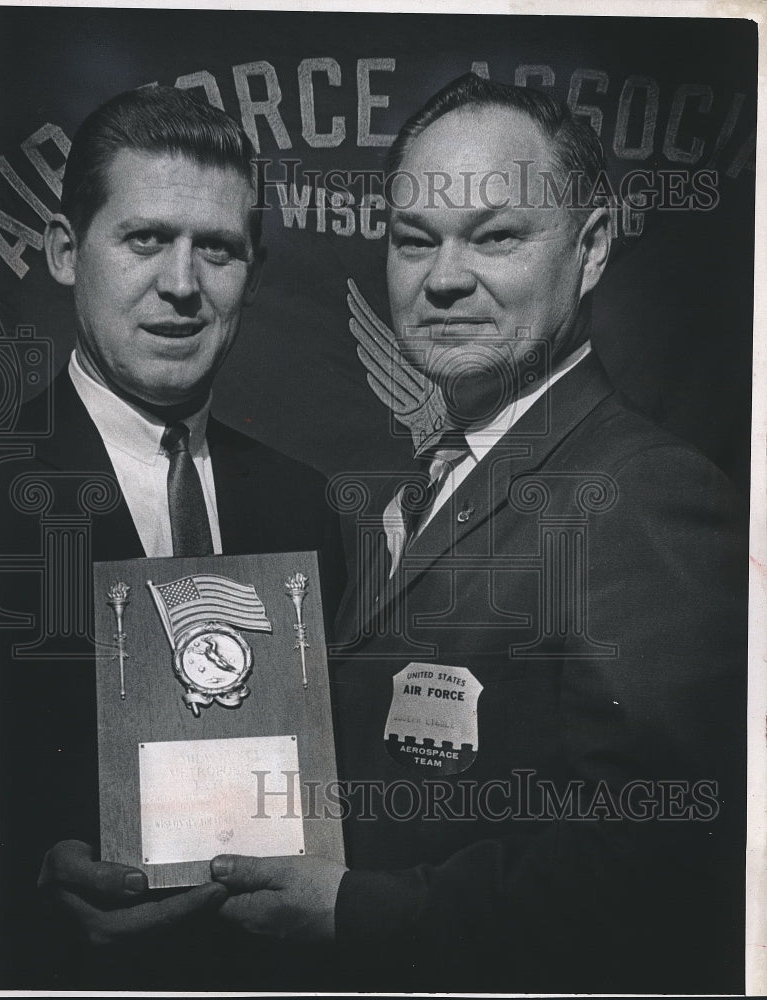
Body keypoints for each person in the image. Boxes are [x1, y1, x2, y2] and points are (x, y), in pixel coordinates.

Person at [207, 74, 749, 993]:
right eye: (412, 241)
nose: (443, 278)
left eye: (495, 236)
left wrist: (352, 910)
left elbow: (664, 862)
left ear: (591, 247)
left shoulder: (644, 492)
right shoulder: (419, 492)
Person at [0, 86, 343, 990]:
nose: (182, 285)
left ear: (251, 269)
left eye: (216, 249)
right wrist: (27, 872)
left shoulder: (309, 506)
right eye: (145, 239)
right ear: (66, 252)